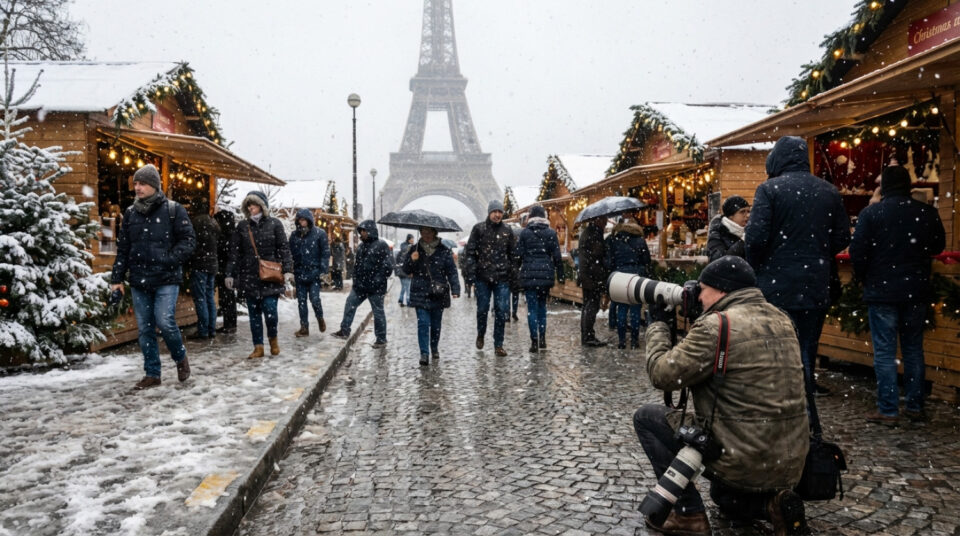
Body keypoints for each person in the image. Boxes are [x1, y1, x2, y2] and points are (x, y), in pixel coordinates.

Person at [635, 256, 809, 536]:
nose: (698, 296)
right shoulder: (782, 318)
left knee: (646, 417)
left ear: (722, 290)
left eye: (702, 289)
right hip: (788, 459)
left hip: (741, 455)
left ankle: (688, 515)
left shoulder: (718, 325)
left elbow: (663, 374)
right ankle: (773, 505)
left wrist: (658, 326)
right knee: (723, 497)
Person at [746, 136, 850, 401]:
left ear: (776, 160)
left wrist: (762, 266)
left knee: (775, 348)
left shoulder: (769, 189)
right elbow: (842, 238)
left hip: (776, 285)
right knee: (806, 346)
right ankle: (805, 403)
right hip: (816, 282)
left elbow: (755, 238)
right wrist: (817, 252)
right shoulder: (828, 190)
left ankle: (781, 403)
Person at [850, 165, 945, 424]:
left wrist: (864, 277)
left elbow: (857, 253)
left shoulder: (872, 214)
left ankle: (888, 409)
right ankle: (915, 406)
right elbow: (938, 246)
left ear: (885, 186)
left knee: (884, 351)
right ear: (908, 186)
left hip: (882, 290)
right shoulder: (926, 212)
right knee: (914, 349)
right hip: (916, 289)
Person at [110, 164, 196, 390]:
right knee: (145, 328)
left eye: (142, 183)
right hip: (139, 279)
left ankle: (180, 357)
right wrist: (116, 279)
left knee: (164, 321)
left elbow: (188, 241)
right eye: (136, 183)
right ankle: (152, 373)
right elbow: (123, 248)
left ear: (154, 186)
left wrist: (168, 259)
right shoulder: (130, 213)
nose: (137, 188)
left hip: (166, 278)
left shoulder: (173, 210)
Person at [226, 191, 294, 358]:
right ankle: (258, 346)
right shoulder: (242, 227)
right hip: (249, 275)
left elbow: (284, 248)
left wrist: (288, 270)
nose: (251, 208)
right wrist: (230, 273)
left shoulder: (275, 224)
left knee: (270, 311)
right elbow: (234, 252)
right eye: (248, 205)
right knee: (254, 313)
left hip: (270, 275)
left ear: (262, 206)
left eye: (254, 204)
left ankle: (273, 339)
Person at [463, 200, 518, 357]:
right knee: (482, 309)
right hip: (483, 277)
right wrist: (472, 274)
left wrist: (513, 276)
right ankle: (481, 333)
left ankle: (498, 344)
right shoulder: (479, 229)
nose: (497, 214)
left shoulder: (508, 230)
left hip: (502, 278)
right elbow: (470, 253)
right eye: (494, 211)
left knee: (501, 311)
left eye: (500, 211)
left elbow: (513, 256)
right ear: (489, 213)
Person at [403, 226, 461, 365]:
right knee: (423, 323)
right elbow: (405, 269)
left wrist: (455, 289)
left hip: (438, 292)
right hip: (420, 291)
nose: (425, 235)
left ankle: (434, 347)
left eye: (428, 232)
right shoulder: (415, 249)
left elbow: (452, 271)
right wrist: (412, 259)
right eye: (423, 232)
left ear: (435, 233)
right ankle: (424, 353)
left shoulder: (444, 251)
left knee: (435, 325)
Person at [332, 220, 393, 347]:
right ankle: (344, 330)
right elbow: (357, 266)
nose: (362, 233)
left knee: (378, 312)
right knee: (350, 304)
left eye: (364, 230)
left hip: (375, 287)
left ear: (370, 230)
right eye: (361, 231)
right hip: (360, 286)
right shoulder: (361, 246)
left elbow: (388, 267)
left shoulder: (382, 245)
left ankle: (381, 338)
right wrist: (356, 280)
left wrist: (377, 280)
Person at [516, 205, 564, 352]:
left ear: (530, 217)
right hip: (545, 275)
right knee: (542, 307)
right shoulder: (550, 233)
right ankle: (542, 338)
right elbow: (557, 256)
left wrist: (518, 270)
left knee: (532, 309)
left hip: (530, 275)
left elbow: (519, 255)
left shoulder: (524, 233)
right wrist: (560, 275)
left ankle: (534, 341)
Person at [605, 212, 651, 349]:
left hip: (619, 277)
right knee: (636, 310)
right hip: (635, 277)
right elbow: (646, 261)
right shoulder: (640, 240)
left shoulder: (614, 240)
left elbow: (609, 261)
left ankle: (621, 341)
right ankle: (635, 341)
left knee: (622, 309)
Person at [289, 208, 330, 337]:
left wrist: (323, 270)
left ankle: (320, 318)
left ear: (309, 220)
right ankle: (304, 327)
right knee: (301, 302)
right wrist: (290, 270)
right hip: (300, 273)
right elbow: (290, 254)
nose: (302, 222)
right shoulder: (294, 236)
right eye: (300, 220)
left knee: (315, 299)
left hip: (314, 273)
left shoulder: (319, 234)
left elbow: (325, 253)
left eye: (304, 220)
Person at [187, 200, 221, 340]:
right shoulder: (213, 223)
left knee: (200, 298)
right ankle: (211, 329)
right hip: (212, 264)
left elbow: (190, 243)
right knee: (209, 298)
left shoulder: (194, 222)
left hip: (199, 264)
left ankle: (203, 331)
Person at [578, 215, 609, 346]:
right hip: (592, 276)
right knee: (591, 306)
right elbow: (596, 255)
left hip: (588, 275)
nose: (606, 222)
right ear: (597, 220)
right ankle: (588, 336)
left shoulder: (590, 232)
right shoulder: (593, 234)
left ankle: (587, 335)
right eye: (604, 220)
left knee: (588, 306)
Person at [705, 195, 749, 262]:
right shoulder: (718, 233)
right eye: (742, 212)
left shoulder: (750, 231)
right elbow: (718, 261)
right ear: (730, 216)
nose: (748, 215)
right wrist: (742, 242)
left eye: (748, 211)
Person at [214, 209, 238, 333]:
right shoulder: (232, 233)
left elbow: (228, 254)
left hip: (226, 270)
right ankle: (230, 324)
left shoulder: (226, 235)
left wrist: (226, 271)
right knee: (229, 298)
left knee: (227, 298)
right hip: (229, 270)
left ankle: (229, 325)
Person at [396, 234, 415, 306]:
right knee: (407, 287)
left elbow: (397, 261)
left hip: (401, 271)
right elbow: (410, 262)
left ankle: (401, 300)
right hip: (406, 271)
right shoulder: (409, 249)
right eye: (412, 239)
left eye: (413, 239)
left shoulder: (402, 249)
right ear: (408, 239)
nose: (413, 240)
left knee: (404, 286)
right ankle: (408, 301)